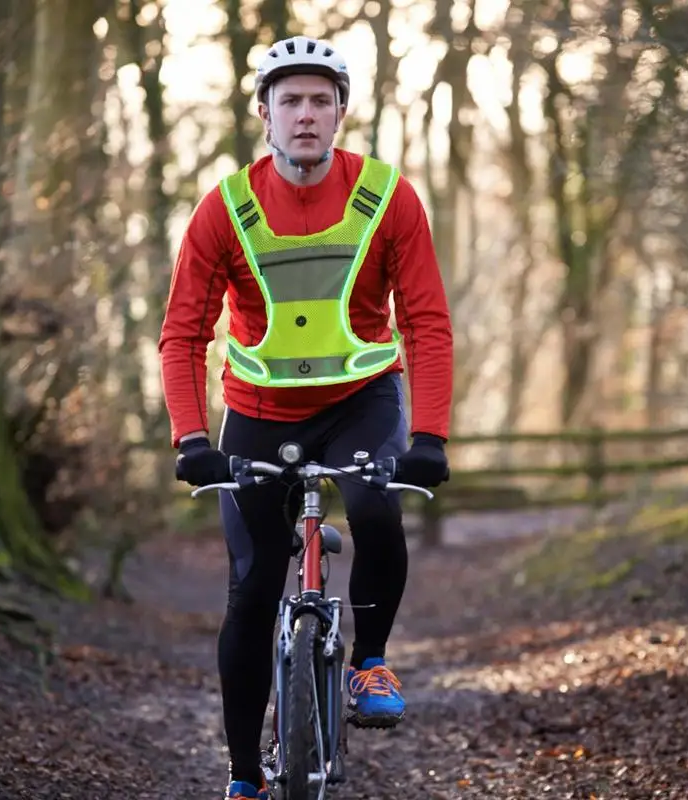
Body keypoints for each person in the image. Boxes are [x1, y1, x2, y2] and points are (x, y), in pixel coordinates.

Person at [158, 34, 454, 800]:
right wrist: (191, 438)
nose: (306, 114)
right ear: (264, 114)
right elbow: (183, 333)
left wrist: (430, 436)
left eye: (322, 100)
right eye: (290, 100)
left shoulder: (388, 196)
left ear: (341, 113)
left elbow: (426, 321)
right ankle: (245, 776)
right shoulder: (224, 208)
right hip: (258, 413)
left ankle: (370, 662)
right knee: (252, 591)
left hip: (362, 402)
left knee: (375, 509)